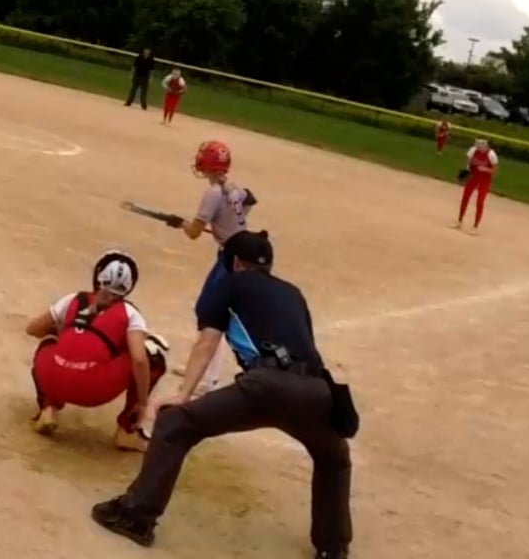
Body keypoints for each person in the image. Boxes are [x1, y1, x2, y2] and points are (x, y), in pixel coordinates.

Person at [92, 230, 355, 558]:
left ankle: (136, 516)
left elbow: (208, 341)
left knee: (174, 425)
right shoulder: (293, 293)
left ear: (235, 262)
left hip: (265, 387)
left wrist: (184, 393)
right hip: (317, 392)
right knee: (334, 459)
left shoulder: (229, 284)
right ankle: (333, 548)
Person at [26, 251, 171, 453]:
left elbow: (32, 329)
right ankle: (127, 431)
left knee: (49, 342)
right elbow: (139, 360)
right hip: (94, 390)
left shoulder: (73, 299)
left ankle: (48, 407)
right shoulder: (130, 313)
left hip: (55, 382)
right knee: (152, 357)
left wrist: (64, 331)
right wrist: (143, 403)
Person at [178, 140, 260, 388]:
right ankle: (200, 368)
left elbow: (194, 232)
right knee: (208, 309)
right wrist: (229, 223)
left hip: (233, 258)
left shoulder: (213, 193)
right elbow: (250, 199)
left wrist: (180, 223)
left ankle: (209, 377)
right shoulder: (232, 188)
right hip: (235, 252)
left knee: (214, 312)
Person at [455, 138, 497, 233]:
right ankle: (459, 221)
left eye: (480, 145)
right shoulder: (473, 150)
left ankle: (475, 227)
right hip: (472, 178)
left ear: (486, 146)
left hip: (484, 180)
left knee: (480, 202)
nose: (478, 146)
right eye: (477, 144)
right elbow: (468, 162)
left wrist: (485, 169)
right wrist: (467, 169)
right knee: (465, 198)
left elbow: (494, 171)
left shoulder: (491, 155)